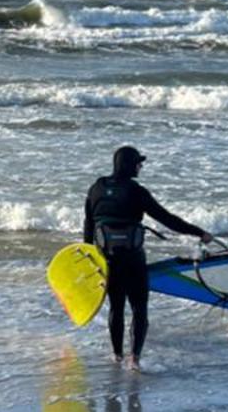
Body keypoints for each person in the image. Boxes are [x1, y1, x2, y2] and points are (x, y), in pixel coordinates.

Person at [83, 145, 220, 368]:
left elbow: (88, 226)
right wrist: (200, 232)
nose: (141, 166)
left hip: (106, 259)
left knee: (116, 307)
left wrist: (89, 258)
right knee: (139, 307)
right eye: (139, 162)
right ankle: (134, 359)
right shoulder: (136, 191)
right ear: (130, 165)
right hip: (133, 259)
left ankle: (117, 356)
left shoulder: (96, 188)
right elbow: (168, 219)